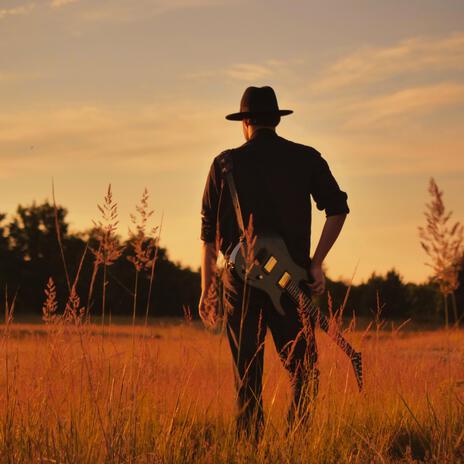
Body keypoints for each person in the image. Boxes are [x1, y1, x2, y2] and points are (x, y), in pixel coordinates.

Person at [199, 86, 349, 438]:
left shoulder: (224, 163)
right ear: (276, 119)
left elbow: (208, 235)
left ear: (245, 122)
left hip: (241, 281)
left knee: (247, 372)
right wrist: (316, 263)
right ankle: (297, 443)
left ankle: (251, 448)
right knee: (304, 370)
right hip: (291, 282)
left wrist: (207, 288)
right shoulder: (307, 158)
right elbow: (338, 209)